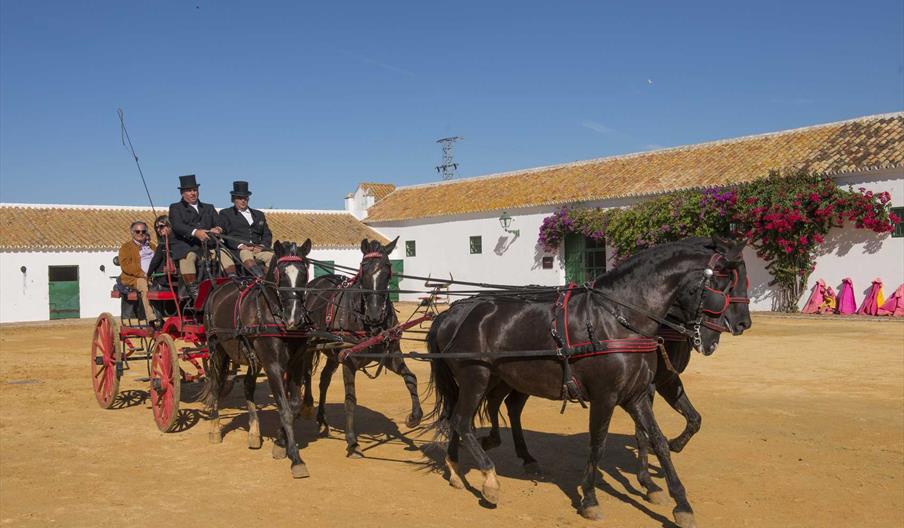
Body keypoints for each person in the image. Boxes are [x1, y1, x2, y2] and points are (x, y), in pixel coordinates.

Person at [167, 174, 236, 295]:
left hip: (210, 246)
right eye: (189, 191)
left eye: (195, 190)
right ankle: (194, 290)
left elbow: (220, 222)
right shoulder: (175, 208)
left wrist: (218, 228)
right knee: (187, 259)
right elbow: (177, 225)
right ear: (182, 193)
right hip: (188, 247)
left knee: (225, 253)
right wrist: (195, 232)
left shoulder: (209, 208)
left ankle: (233, 281)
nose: (193, 193)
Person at [217, 181, 274, 277]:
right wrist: (241, 246)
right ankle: (260, 278)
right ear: (234, 199)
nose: (243, 200)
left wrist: (262, 246)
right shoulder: (226, 214)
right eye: (240, 198)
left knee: (273, 257)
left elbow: (267, 234)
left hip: (258, 250)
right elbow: (226, 235)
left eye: (245, 198)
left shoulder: (259, 215)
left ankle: (271, 282)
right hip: (238, 251)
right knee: (246, 253)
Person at [118, 220, 158, 323]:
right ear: (132, 232)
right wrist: (143, 274)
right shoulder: (125, 248)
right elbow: (126, 265)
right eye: (137, 231)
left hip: (154, 276)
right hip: (134, 278)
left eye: (143, 231)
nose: (140, 234)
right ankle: (150, 315)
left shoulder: (153, 247)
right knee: (143, 284)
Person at [147, 215, 176, 288]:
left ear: (169, 225)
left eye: (161, 226)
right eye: (156, 227)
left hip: (163, 280)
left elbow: (154, 262)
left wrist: (148, 275)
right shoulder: (163, 244)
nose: (158, 229)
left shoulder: (162, 245)